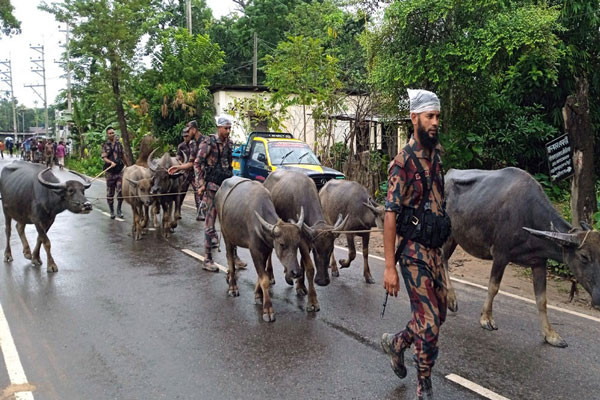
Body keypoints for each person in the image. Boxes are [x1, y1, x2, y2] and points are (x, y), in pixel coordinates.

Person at [381, 89, 451, 400]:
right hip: (412, 254)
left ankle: (397, 343)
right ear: (414, 118)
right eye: (429, 116)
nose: (435, 122)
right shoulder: (402, 163)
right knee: (431, 321)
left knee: (437, 315)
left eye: (437, 116)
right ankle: (425, 385)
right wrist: (388, 268)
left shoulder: (437, 156)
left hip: (435, 252)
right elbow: (390, 216)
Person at [193, 116, 234, 272]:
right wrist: (200, 184)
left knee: (230, 222)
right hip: (211, 187)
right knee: (210, 224)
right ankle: (207, 258)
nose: (228, 131)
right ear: (219, 128)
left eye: (230, 128)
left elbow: (230, 165)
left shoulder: (229, 144)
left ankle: (233, 257)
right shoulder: (208, 142)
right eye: (226, 128)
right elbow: (198, 163)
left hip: (226, 186)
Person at [167, 126, 198, 216]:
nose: (185, 138)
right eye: (184, 136)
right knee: (181, 191)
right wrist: (181, 164)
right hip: (184, 171)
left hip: (194, 171)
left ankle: (199, 212)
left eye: (187, 136)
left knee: (197, 191)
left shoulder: (194, 144)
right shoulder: (181, 146)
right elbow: (178, 157)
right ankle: (178, 209)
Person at [101, 127, 125, 219]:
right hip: (110, 171)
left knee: (120, 191)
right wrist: (110, 162)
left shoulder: (119, 144)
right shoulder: (105, 145)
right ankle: (111, 211)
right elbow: (104, 157)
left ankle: (119, 209)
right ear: (107, 135)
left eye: (113, 133)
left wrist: (129, 166)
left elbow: (123, 155)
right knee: (110, 193)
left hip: (119, 170)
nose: (112, 134)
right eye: (110, 133)